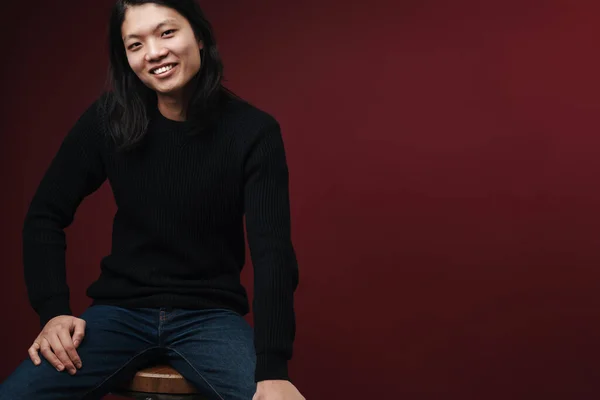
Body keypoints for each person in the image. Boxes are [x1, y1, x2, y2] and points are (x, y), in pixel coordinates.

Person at [0, 0, 304, 399]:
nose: (154, 53)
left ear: (198, 35)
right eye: (135, 44)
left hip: (209, 318)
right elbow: (44, 215)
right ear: (126, 58)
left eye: (166, 32)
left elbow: (273, 254)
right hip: (118, 314)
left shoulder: (253, 132)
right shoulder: (108, 119)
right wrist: (53, 311)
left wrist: (273, 366)